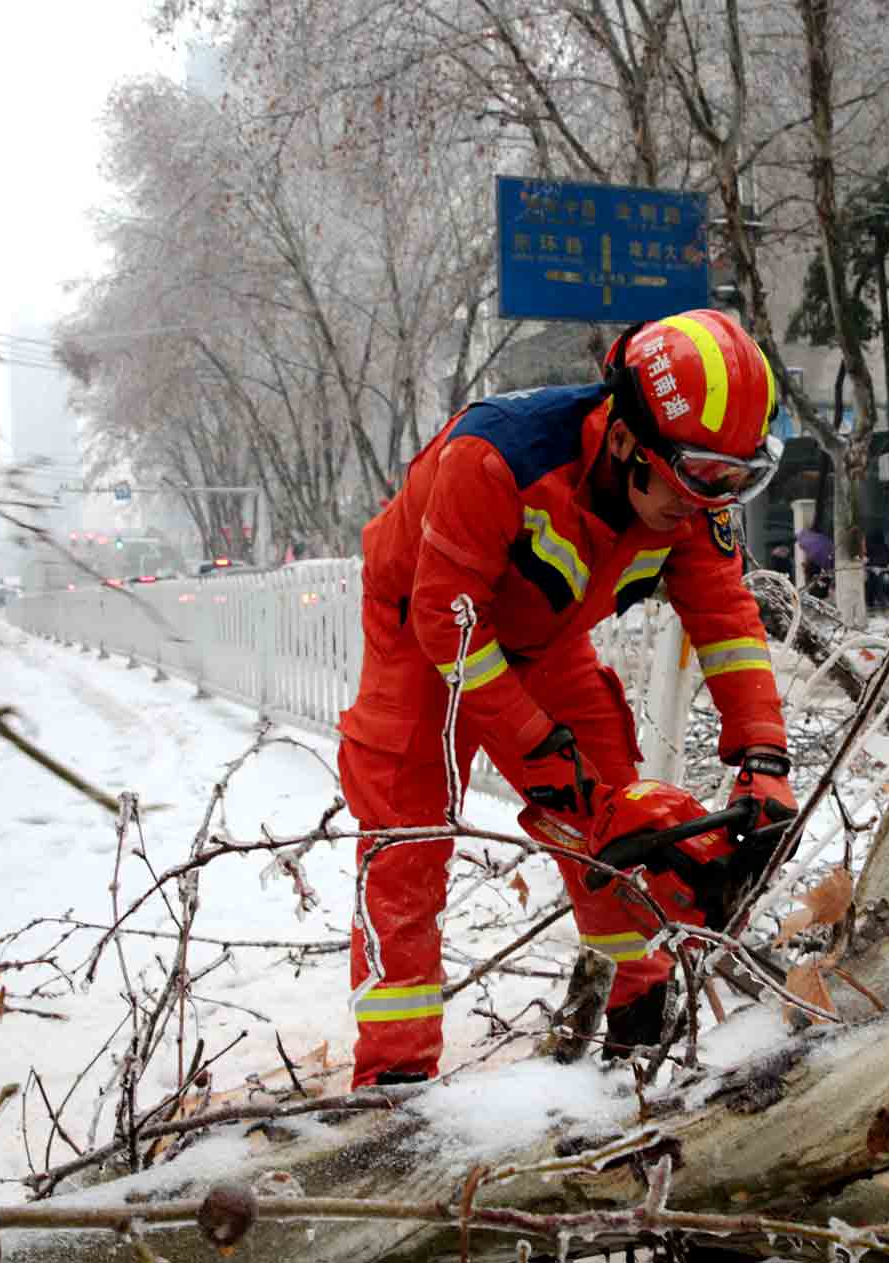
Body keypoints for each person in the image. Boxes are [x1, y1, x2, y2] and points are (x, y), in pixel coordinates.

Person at [339, 308, 797, 1088]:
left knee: (612, 815)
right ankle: (394, 1080)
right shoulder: (494, 459)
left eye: (735, 480)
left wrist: (762, 755)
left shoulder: (689, 499)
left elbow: (725, 619)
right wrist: (540, 753)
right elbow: (448, 628)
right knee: (406, 834)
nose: (709, 500)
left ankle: (640, 1024)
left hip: (547, 636)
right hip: (424, 628)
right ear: (624, 441)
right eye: (699, 476)